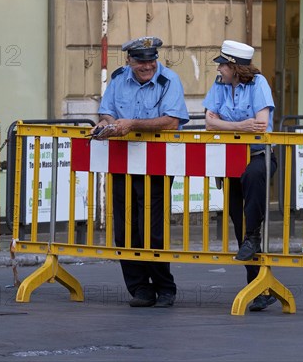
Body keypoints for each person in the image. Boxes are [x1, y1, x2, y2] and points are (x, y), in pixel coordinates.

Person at [94, 36, 189, 308]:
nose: (147, 67)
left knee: (152, 227)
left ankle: (164, 287)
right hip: (123, 161)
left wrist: (132, 123)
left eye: (151, 60)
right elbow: (107, 112)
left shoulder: (169, 80)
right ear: (129, 61)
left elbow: (171, 122)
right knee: (125, 228)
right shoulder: (119, 79)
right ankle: (139, 288)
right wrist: (110, 125)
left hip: (156, 162)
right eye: (141, 62)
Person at [203, 40, 278, 312]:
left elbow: (259, 127)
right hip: (232, 157)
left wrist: (229, 126)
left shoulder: (258, 85)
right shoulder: (220, 85)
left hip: (259, 156)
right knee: (237, 216)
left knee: (252, 179)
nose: (219, 68)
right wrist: (239, 125)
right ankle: (259, 287)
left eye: (223, 64)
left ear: (235, 67)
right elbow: (209, 122)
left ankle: (254, 235)